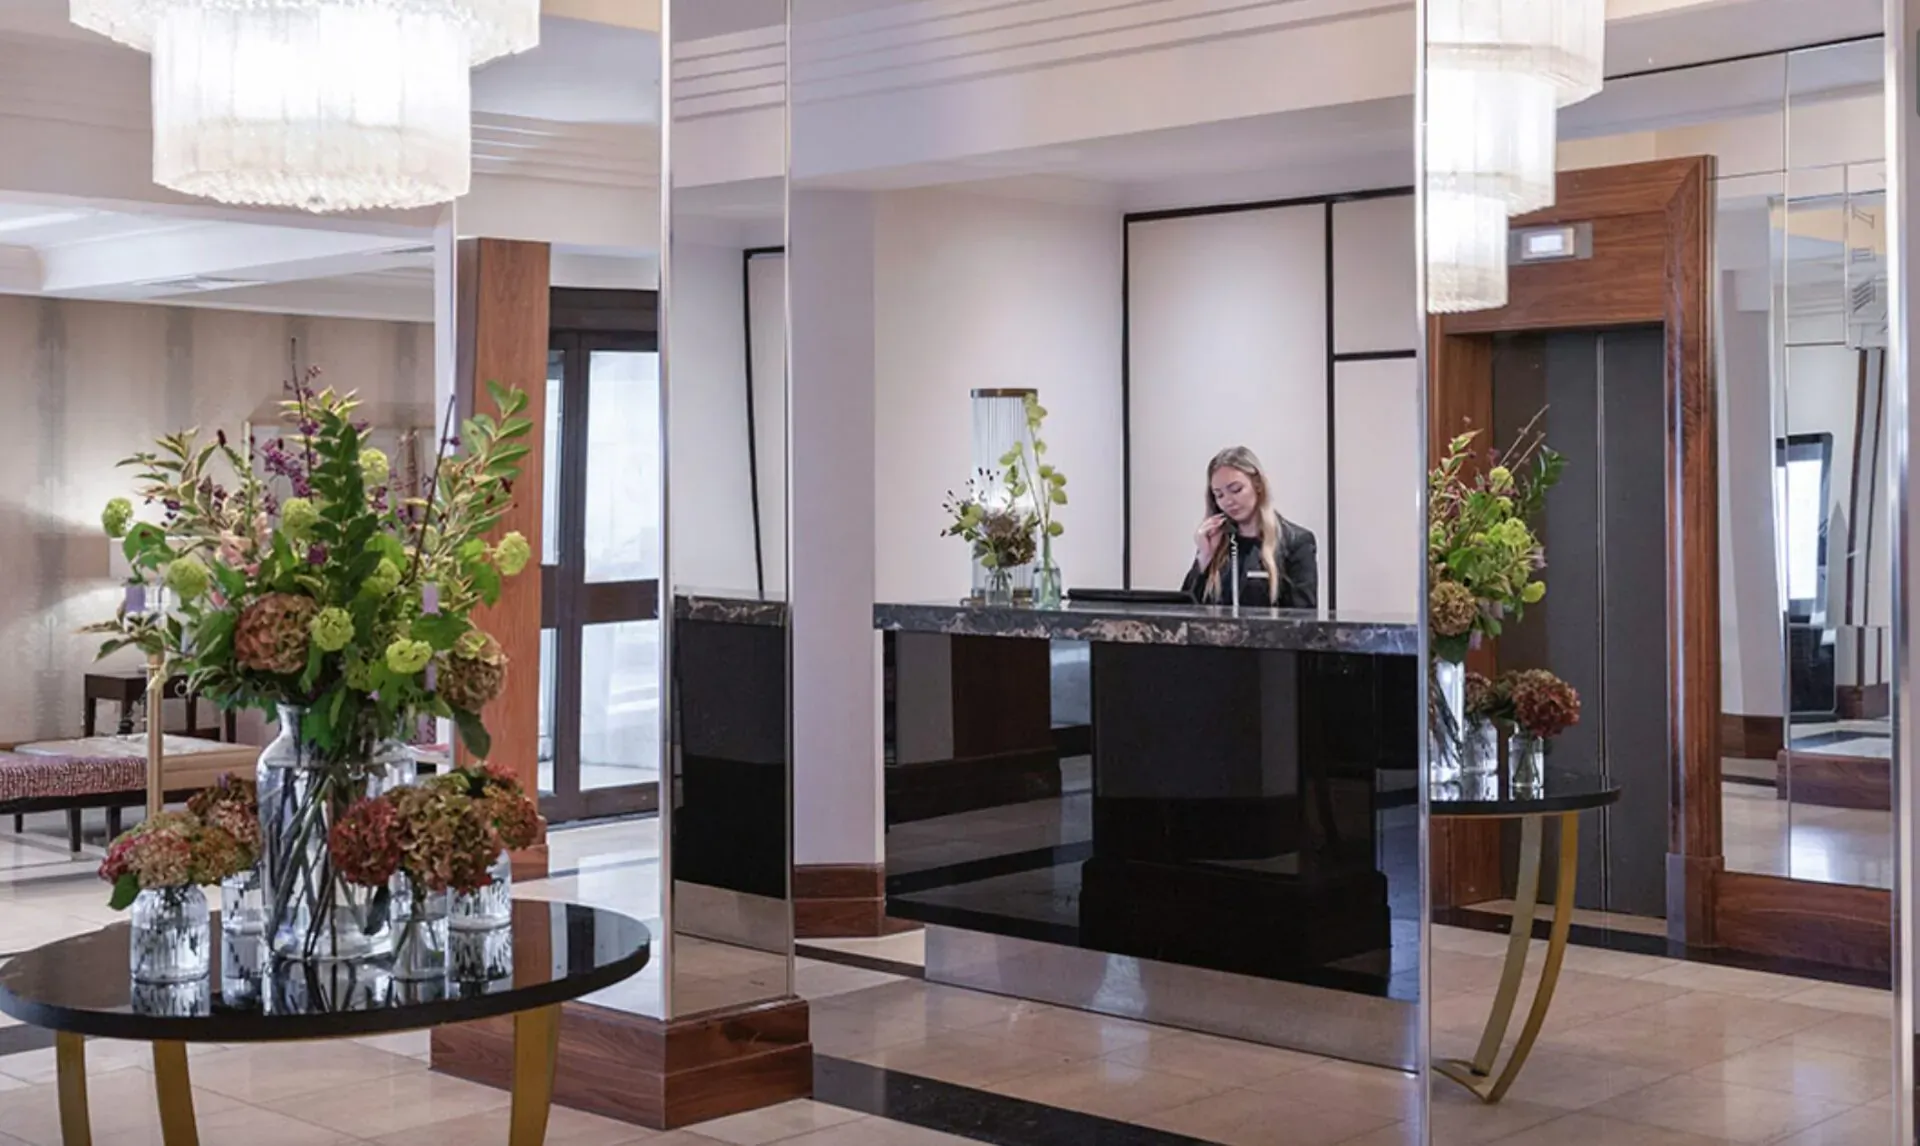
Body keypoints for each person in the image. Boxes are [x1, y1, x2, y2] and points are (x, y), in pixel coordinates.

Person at [1181, 445, 1318, 609]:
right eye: (1219, 495)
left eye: (1236, 490)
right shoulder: (1217, 542)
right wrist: (1204, 556)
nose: (1228, 501)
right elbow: (1184, 614)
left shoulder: (1296, 541)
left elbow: (1304, 620)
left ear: (1258, 484)